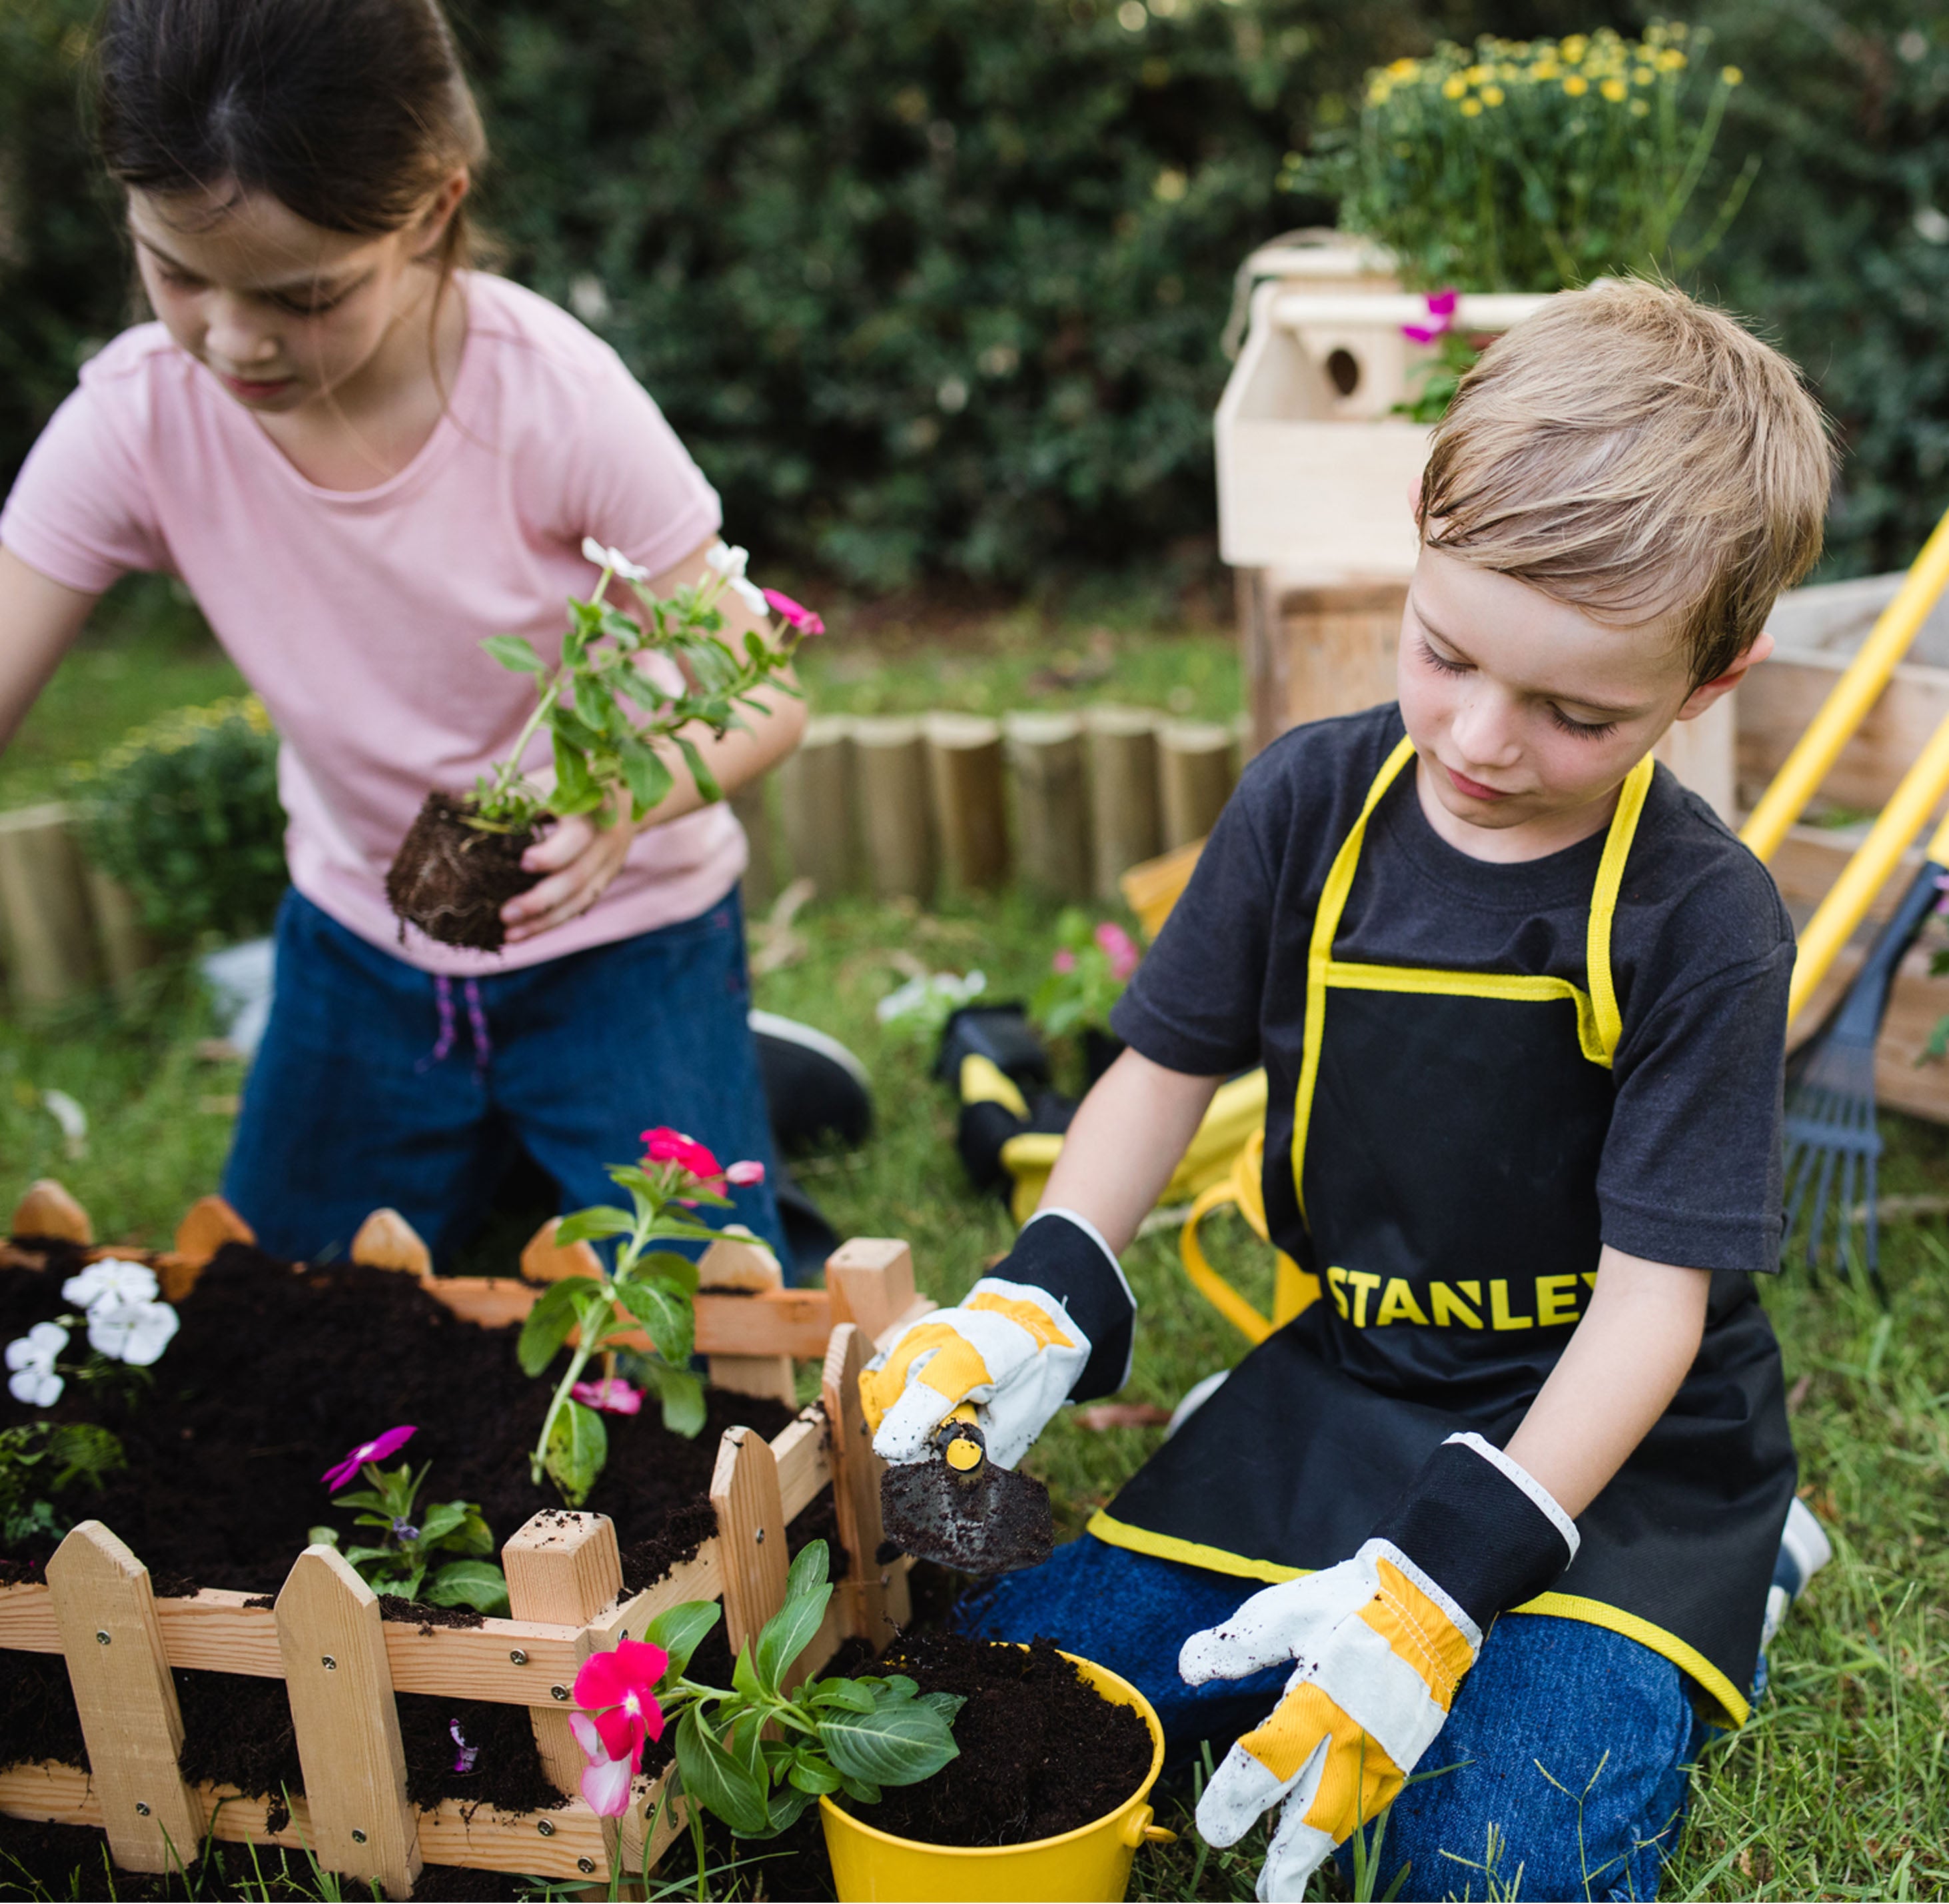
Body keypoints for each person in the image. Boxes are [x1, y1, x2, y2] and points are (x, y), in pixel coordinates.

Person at [859, 281, 1832, 1900]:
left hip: (1614, 1457)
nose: (1479, 735)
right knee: (1007, 1694)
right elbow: (1154, 1074)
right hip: (1350, 1388)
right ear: (1417, 540)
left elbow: (1655, 1309)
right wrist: (1040, 1288)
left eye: (1575, 712)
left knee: (1486, 1856)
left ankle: (1741, 1571)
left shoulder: (1700, 917)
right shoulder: (1309, 801)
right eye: (1442, 652)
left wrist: (1447, 1581)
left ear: (1707, 683)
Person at [0, 0, 804, 1270]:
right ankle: (503, 1140)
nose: (233, 337)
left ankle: (705, 1082)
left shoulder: (553, 399)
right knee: (283, 1308)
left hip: (625, 947)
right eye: (176, 273)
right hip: (361, 958)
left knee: (696, 1309)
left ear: (432, 210)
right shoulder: (139, 418)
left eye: (304, 295)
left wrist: (622, 799)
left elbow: (766, 692)